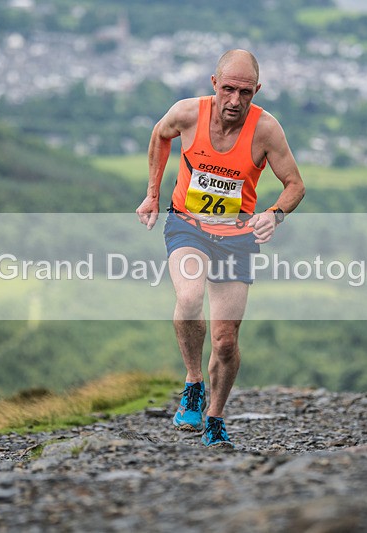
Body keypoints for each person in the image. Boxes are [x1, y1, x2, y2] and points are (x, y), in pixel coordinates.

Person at [136, 49, 305, 448]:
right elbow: (160, 135)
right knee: (190, 297)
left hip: (236, 237)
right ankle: (193, 382)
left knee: (226, 341)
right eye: (228, 89)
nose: (235, 100)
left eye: (245, 92)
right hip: (188, 226)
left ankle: (215, 417)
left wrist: (275, 214)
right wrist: (152, 195)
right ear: (214, 84)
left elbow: (295, 185)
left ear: (256, 90)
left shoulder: (267, 130)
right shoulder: (187, 113)